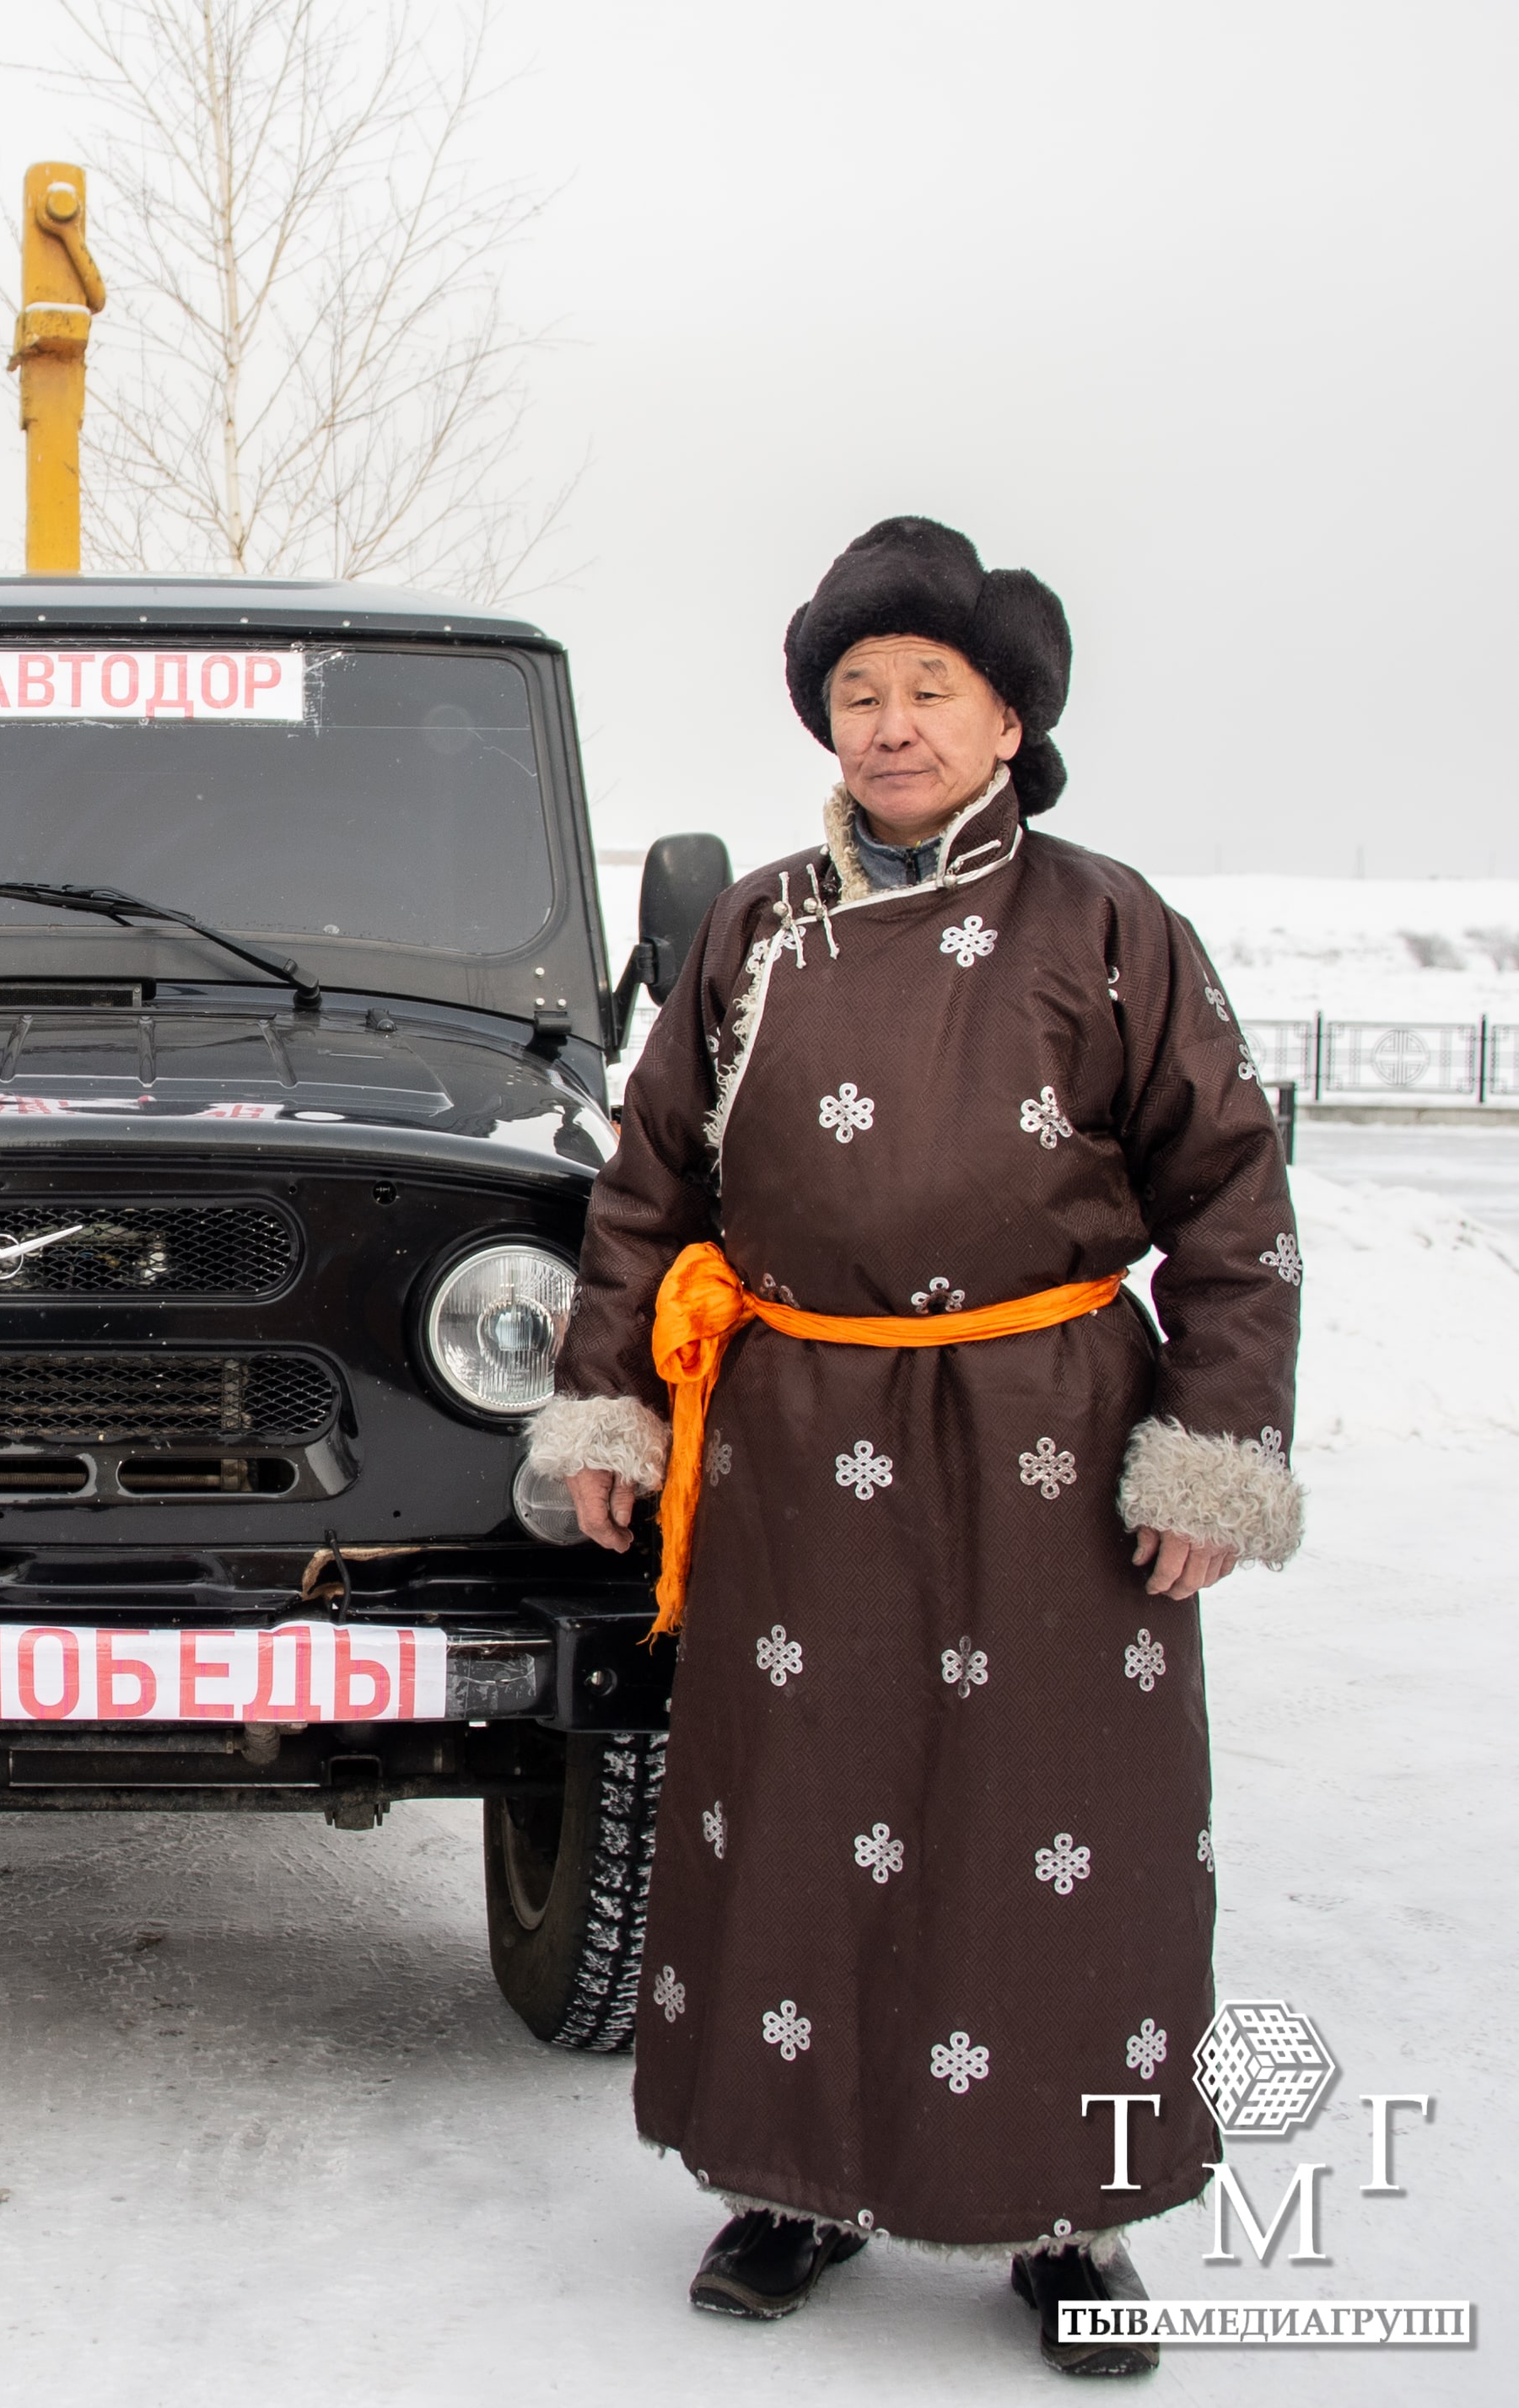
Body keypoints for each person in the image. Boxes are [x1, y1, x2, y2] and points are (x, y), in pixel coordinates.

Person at [516, 517, 1301, 2378]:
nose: (888, 726)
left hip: (1046, 1430)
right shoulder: (752, 931)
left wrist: (1212, 1449)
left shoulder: (1109, 926)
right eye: (857, 695)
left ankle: (1073, 2213)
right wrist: (613, 1399)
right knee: (793, 1800)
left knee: (1057, 1824)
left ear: (1012, 718)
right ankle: (793, 2183)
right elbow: (649, 1187)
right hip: (794, 1434)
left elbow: (1231, 1200)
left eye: (926, 692)